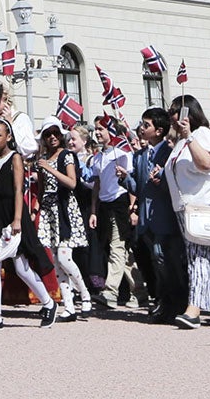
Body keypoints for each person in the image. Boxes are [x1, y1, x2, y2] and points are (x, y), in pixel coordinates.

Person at [0, 118, 57, 329]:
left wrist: (18, 220)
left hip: (14, 214)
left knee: (21, 267)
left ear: (8, 137)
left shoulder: (15, 158)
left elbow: (19, 190)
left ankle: (48, 303)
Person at [164, 96, 210, 329]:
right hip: (188, 207)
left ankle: (193, 309)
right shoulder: (180, 141)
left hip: (205, 204)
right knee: (208, 258)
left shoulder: (202, 134)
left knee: (198, 258)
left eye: (175, 112)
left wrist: (189, 138)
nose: (172, 118)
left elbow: (206, 164)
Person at [129, 108, 187, 321]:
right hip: (147, 218)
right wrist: (124, 179)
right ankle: (164, 301)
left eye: (147, 125)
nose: (142, 129)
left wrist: (161, 181)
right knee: (157, 262)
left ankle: (177, 303)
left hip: (164, 216)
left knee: (167, 260)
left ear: (159, 130)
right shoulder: (141, 155)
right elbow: (139, 186)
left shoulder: (169, 152)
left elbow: (174, 184)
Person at [32, 124, 88, 317]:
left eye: (55, 133)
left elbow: (72, 183)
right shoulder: (43, 159)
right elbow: (40, 189)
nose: (52, 137)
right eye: (47, 134)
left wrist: (49, 168)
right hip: (48, 212)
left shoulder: (67, 156)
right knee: (57, 261)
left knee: (65, 257)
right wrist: (35, 210)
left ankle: (85, 293)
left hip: (65, 210)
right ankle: (69, 306)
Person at [83, 120, 134, 309]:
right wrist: (94, 211)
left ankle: (110, 291)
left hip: (120, 203)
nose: (97, 133)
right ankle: (139, 292)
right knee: (120, 252)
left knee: (117, 247)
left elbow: (130, 183)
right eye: (95, 129)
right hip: (104, 204)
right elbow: (97, 185)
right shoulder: (97, 158)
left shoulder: (122, 154)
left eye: (101, 129)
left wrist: (133, 207)